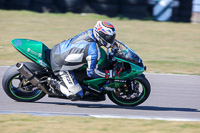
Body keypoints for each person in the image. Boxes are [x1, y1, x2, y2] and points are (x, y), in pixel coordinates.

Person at [49, 21, 116, 101]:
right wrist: (110, 74)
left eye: (112, 37)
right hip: (60, 65)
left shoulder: (90, 32)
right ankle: (54, 83)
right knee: (77, 94)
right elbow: (92, 72)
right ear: (100, 35)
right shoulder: (93, 51)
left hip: (59, 49)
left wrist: (114, 44)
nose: (111, 39)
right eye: (109, 38)